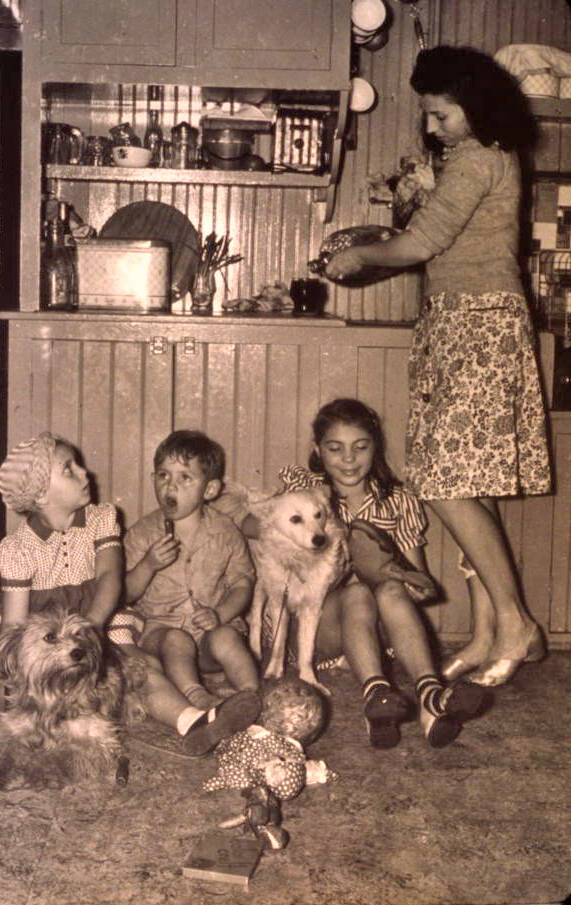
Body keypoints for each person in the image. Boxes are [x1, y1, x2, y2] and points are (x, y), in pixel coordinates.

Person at [324, 46, 551, 687]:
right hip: (461, 322)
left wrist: (361, 258)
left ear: (475, 107)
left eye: (442, 115)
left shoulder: (480, 157)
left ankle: (516, 622)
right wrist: (372, 246)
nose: (434, 128)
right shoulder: (473, 156)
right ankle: (486, 633)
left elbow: (424, 242)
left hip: (478, 325)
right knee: (467, 482)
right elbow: (431, 243)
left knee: (446, 481)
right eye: (430, 117)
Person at [0, 431, 258, 757]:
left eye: (79, 465)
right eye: (69, 469)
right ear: (39, 494)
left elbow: (110, 578)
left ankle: (193, 721)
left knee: (143, 668)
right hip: (42, 635)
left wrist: (91, 626)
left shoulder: (100, 520)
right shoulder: (18, 548)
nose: (85, 473)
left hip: (99, 617)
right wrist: (28, 662)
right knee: (7, 691)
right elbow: (16, 622)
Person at [238, 398, 490, 750]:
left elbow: (419, 586)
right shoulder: (306, 488)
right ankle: (378, 692)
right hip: (317, 625)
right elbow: (252, 525)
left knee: (386, 589)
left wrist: (387, 568)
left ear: (376, 448)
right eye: (335, 448)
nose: (348, 459)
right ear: (318, 450)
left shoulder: (398, 500)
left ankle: (428, 696)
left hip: (380, 626)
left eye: (360, 447)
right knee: (356, 593)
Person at [123, 429, 261, 728]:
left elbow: (242, 583)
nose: (170, 486)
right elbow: (124, 593)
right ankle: (197, 697)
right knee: (175, 639)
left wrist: (220, 613)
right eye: (163, 475)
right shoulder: (142, 533)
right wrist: (148, 565)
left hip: (210, 634)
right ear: (153, 480)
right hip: (162, 634)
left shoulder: (225, 531)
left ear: (209, 490)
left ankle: (252, 696)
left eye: (185, 478)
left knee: (226, 637)